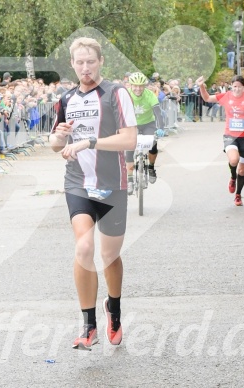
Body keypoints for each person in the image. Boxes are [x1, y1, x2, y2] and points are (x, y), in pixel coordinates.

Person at [48, 37, 137, 351]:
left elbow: (129, 139)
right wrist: (59, 138)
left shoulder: (116, 93)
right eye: (79, 62)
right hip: (78, 183)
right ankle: (88, 326)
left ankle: (113, 307)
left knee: (109, 255)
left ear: (100, 62)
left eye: (90, 61)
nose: (85, 67)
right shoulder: (66, 98)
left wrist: (90, 143)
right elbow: (56, 144)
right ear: (72, 64)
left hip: (113, 185)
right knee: (84, 247)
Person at [196, 75, 244, 206]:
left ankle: (238, 195)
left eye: (239, 87)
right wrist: (201, 86)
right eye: (234, 86)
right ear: (231, 86)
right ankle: (232, 177)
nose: (236, 89)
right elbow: (207, 98)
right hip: (230, 136)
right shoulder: (226, 96)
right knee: (233, 160)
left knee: (242, 170)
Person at [125, 72, 165, 194]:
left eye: (141, 86)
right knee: (129, 148)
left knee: (153, 144)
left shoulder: (150, 95)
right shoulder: (126, 94)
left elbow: (158, 113)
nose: (138, 89)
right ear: (131, 85)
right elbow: (119, 111)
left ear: (145, 86)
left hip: (148, 123)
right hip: (132, 124)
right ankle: (130, 179)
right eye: (135, 86)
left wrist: (161, 128)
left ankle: (151, 168)